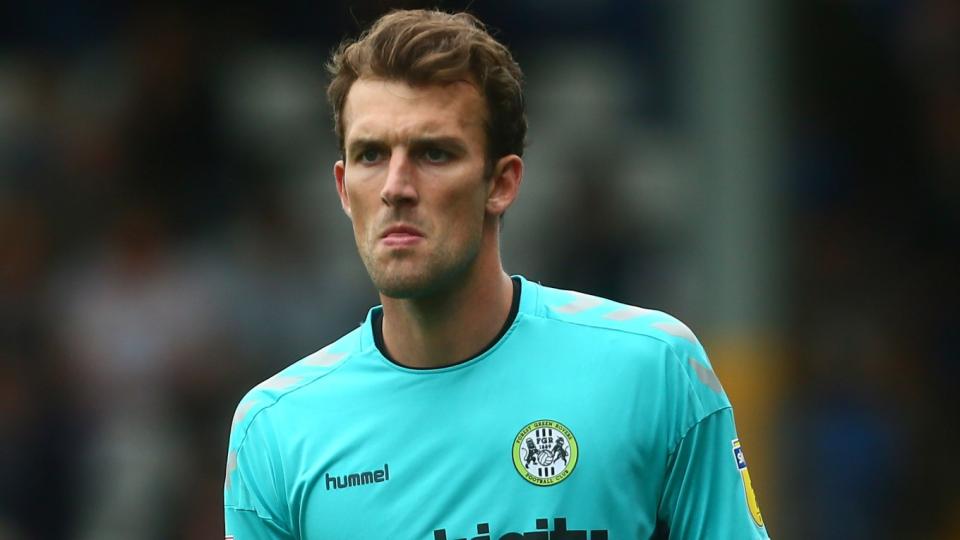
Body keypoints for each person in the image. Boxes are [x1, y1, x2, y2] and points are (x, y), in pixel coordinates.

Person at [224, 9, 770, 540]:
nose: (396, 187)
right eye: (371, 155)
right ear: (344, 189)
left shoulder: (654, 369)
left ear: (501, 183)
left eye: (434, 153)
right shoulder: (277, 430)